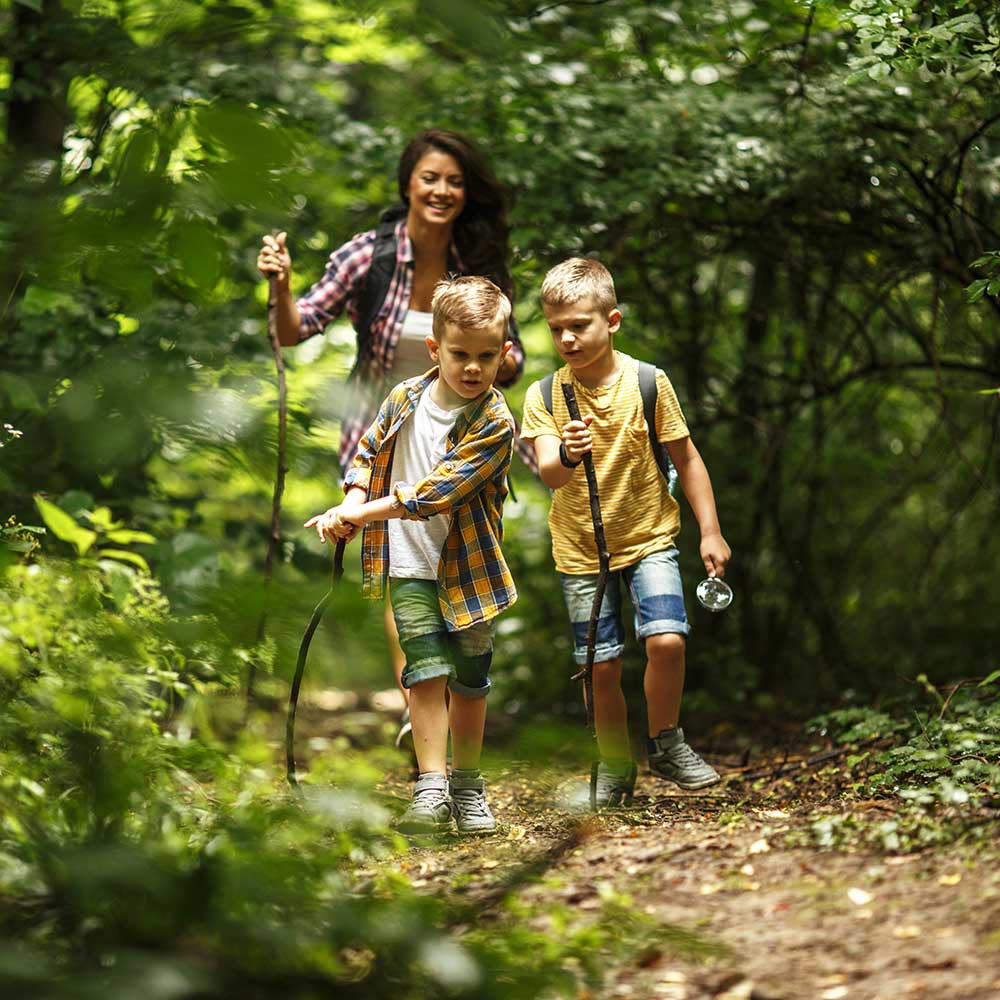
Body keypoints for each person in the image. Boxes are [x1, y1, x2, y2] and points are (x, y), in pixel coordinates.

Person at [257, 129, 524, 745]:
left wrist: (481, 360)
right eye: (431, 177)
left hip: (461, 433)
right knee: (401, 565)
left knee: (459, 553)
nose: (443, 190)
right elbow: (295, 330)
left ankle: (451, 695)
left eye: (456, 181)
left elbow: (511, 360)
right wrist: (280, 285)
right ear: (408, 181)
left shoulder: (476, 263)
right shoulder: (367, 257)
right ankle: (419, 705)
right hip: (383, 431)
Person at [304, 276, 517, 834]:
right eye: (460, 355)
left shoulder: (495, 423)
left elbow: (434, 492)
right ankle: (431, 787)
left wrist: (359, 514)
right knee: (423, 674)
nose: (473, 367)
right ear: (434, 349)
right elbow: (368, 451)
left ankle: (469, 787)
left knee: (470, 681)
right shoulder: (404, 398)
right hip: (407, 565)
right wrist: (351, 500)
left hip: (469, 571)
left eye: (487, 356)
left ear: (505, 353)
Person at [520, 258, 731, 807]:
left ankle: (665, 741)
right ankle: (614, 763)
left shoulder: (647, 382)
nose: (567, 338)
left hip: (650, 536)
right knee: (599, 665)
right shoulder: (545, 395)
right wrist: (567, 451)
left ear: (611, 321)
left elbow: (687, 460)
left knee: (666, 640)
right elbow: (548, 471)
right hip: (580, 547)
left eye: (579, 325)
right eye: (556, 328)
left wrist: (710, 531)